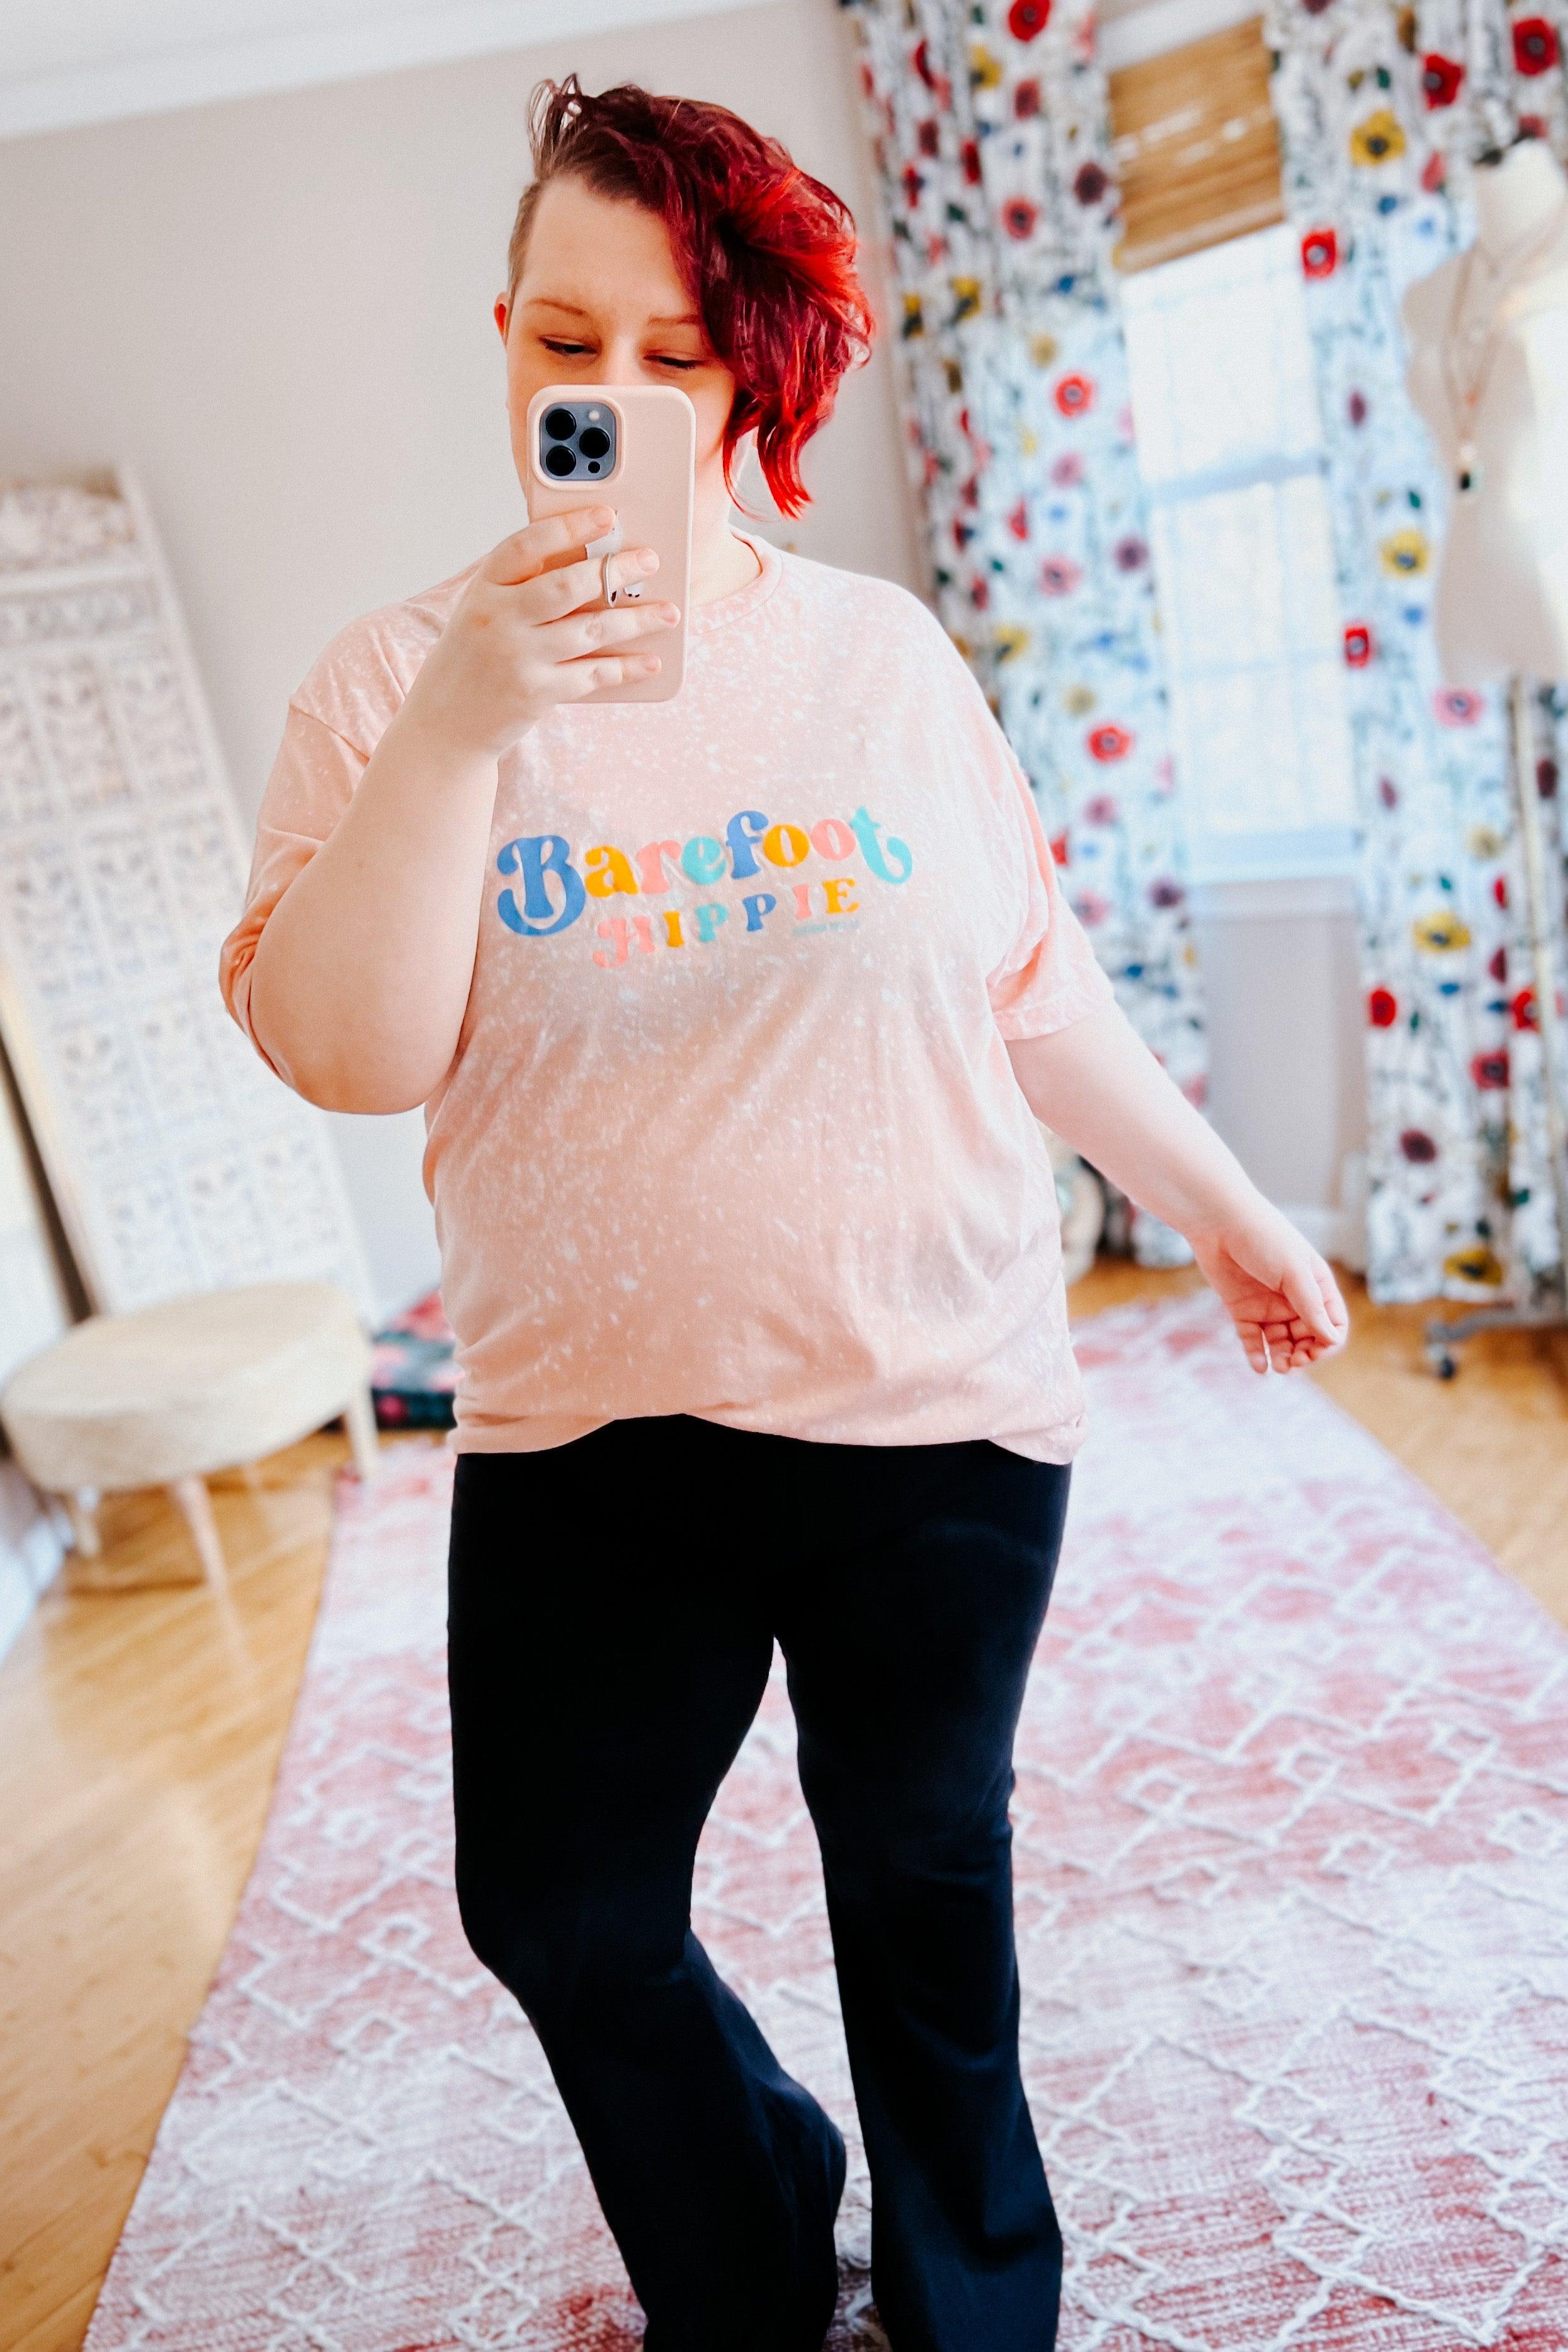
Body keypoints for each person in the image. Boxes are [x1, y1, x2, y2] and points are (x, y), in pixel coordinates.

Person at [219, 74, 1349, 2352]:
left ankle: (972, 2309)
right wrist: (460, 726)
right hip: (582, 1429)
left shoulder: (880, 662)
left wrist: (1232, 1207)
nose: (609, 402)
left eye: (672, 356)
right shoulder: (386, 691)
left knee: (922, 1894)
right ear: (506, 342)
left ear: (754, 370)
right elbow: (349, 1051)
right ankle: (747, 2235)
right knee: (557, 1908)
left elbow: (1030, 992)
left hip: (927, 1407)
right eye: (563, 347)